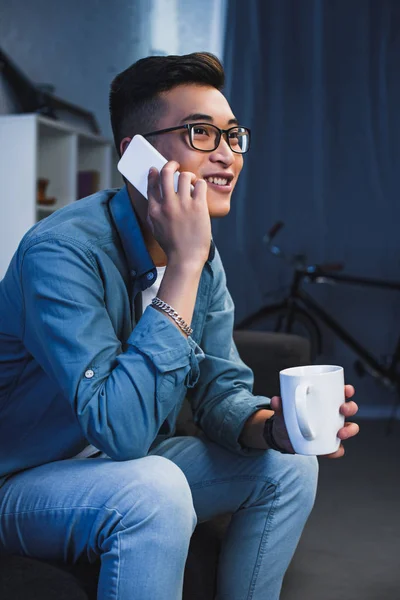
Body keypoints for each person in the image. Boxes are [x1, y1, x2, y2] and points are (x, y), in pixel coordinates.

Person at [0, 52, 359, 600]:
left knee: (288, 468)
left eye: (234, 136)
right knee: (156, 486)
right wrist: (184, 267)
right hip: (24, 480)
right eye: (200, 133)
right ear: (134, 154)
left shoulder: (200, 252)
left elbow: (222, 391)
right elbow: (118, 431)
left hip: (127, 465)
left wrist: (271, 427)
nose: (227, 156)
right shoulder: (61, 251)